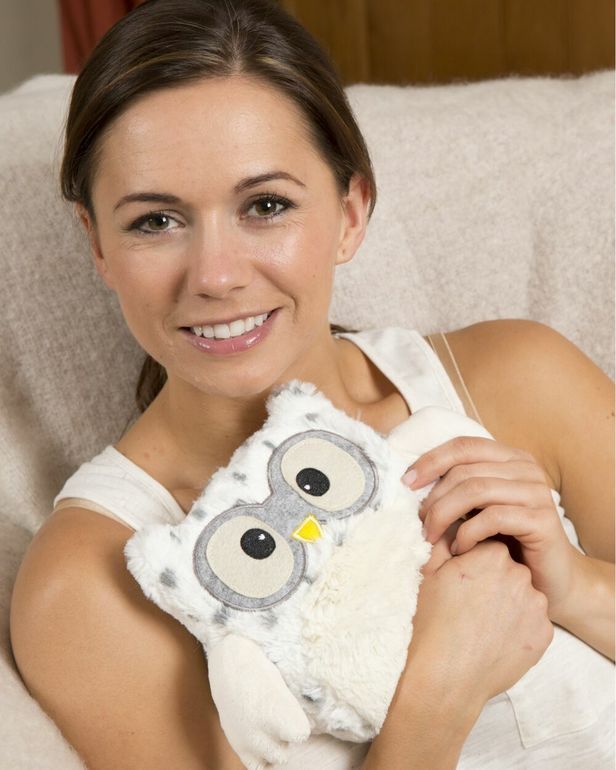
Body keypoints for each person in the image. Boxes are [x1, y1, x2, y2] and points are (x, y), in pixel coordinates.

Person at [9, 0, 614, 768]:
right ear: (96, 242)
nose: (216, 275)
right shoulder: (90, 582)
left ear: (351, 213)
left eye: (266, 206)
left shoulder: (517, 381)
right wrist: (437, 693)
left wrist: (574, 586)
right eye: (156, 221)